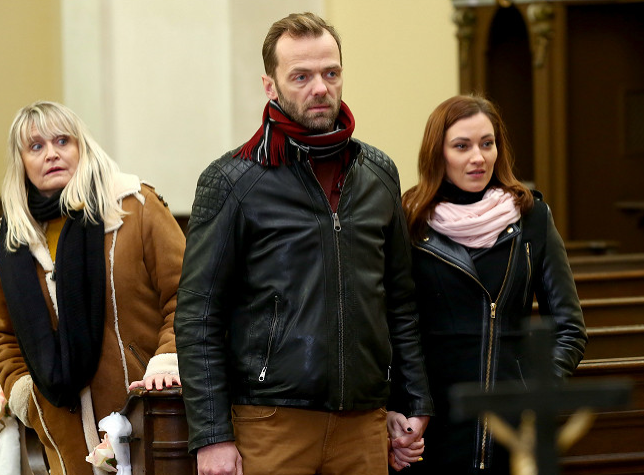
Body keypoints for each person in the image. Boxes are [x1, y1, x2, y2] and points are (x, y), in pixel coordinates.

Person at [173, 11, 433, 475]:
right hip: (271, 421)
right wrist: (212, 436)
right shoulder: (233, 181)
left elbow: (399, 300)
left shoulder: (378, 174)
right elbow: (199, 315)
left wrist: (411, 399)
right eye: (301, 76)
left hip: (362, 422)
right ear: (270, 85)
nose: (320, 88)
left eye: (331, 73)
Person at [389, 94, 588, 474]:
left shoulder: (532, 217)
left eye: (487, 143)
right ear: (437, 153)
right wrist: (401, 406)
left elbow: (569, 328)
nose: (478, 157)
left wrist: (533, 393)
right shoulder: (409, 220)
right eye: (462, 146)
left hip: (512, 422)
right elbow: (394, 326)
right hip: (433, 419)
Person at [0, 101, 185, 475]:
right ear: (21, 162)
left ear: (81, 146)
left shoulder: (134, 206)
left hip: (147, 424)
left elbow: (188, 296)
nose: (51, 154)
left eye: (62, 141)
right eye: (36, 146)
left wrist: (166, 361)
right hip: (65, 445)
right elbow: (5, 337)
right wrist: (26, 397)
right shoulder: (13, 242)